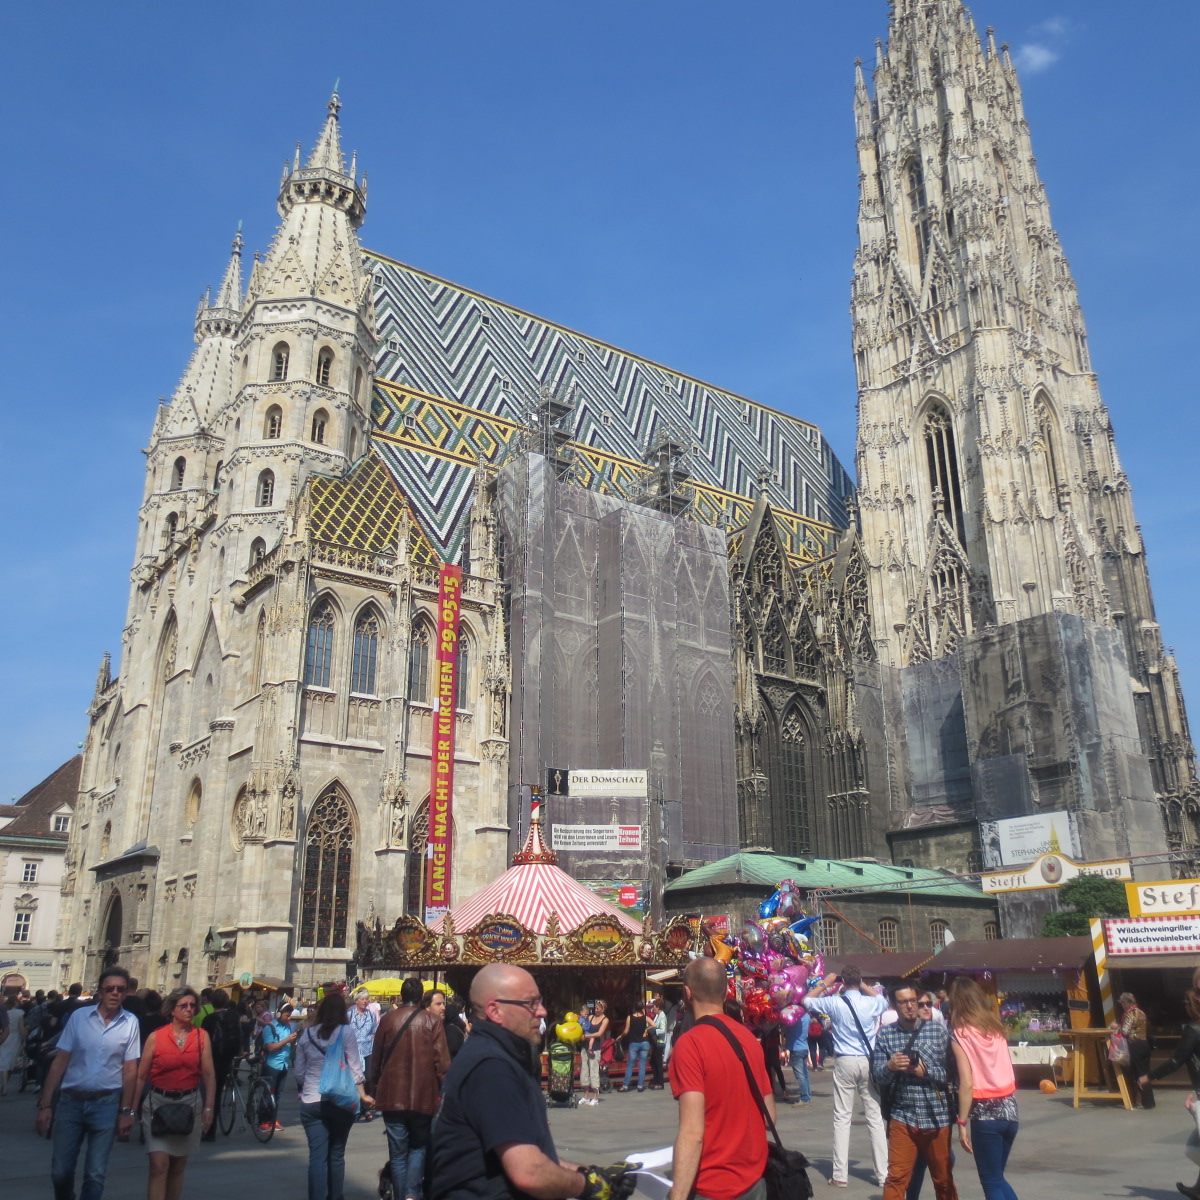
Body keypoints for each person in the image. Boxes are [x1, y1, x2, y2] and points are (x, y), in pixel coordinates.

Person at [430, 962, 635, 1200]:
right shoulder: (492, 1067)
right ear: (495, 1011)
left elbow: (528, 1153)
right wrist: (589, 1186)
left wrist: (589, 1173)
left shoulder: (495, 1055)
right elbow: (529, 1171)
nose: (542, 1011)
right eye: (531, 1003)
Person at [667, 956, 775, 1200]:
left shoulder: (690, 1044)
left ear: (688, 993)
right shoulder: (749, 1040)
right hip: (754, 1183)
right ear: (726, 991)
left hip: (712, 1185)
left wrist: (677, 1195)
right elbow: (770, 1117)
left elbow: (692, 1133)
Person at [36, 965, 141, 1200]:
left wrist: (127, 1111)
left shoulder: (130, 1022)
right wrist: (45, 1105)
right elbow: (60, 1061)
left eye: (120, 989)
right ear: (100, 992)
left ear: (126, 993)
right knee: (60, 1172)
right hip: (71, 1102)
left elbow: (130, 1069)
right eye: (110, 989)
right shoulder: (80, 1017)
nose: (115, 993)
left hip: (106, 1104)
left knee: (95, 1174)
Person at [871, 984, 971, 1200]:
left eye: (913, 1001)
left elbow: (952, 1076)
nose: (910, 1006)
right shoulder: (885, 1035)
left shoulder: (938, 1031)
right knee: (896, 1177)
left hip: (936, 1116)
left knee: (943, 1179)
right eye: (903, 1002)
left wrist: (926, 1072)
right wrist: (890, 1067)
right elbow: (877, 1078)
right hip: (902, 1116)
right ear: (893, 1005)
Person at [804, 967, 890, 1188]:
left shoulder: (835, 1002)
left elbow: (807, 1001)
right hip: (868, 1060)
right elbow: (882, 1000)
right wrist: (863, 985)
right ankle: (883, 1175)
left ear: (842, 982)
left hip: (845, 1060)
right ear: (859, 981)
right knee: (875, 1118)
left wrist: (825, 983)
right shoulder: (870, 1002)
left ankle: (840, 1175)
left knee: (842, 1117)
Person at [370, 976, 450, 1200]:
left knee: (398, 1153)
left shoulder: (387, 1020)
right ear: (421, 996)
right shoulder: (432, 1021)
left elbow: (376, 1058)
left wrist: (373, 1087)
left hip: (391, 1095)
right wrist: (445, 1091)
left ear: (401, 996)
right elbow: (442, 1062)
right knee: (418, 1147)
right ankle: (412, 1194)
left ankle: (400, 1194)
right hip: (423, 1095)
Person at [136, 986, 216, 1200]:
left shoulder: (201, 1036)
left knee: (178, 1166)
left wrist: (209, 1107)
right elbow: (141, 1076)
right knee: (158, 1165)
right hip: (158, 1104)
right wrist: (129, 1109)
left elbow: (209, 1074)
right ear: (171, 1009)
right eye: (184, 1006)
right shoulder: (156, 1037)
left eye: (192, 1005)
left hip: (189, 1104)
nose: (189, 1009)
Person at [295, 991, 374, 1200]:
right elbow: (356, 1069)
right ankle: (336, 1196)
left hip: (312, 1100)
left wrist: (309, 1084)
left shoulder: (306, 1034)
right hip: (341, 1101)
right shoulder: (346, 1032)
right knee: (337, 1154)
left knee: (317, 1157)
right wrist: (363, 1095)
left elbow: (299, 1073)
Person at [947, 979, 1017, 1200]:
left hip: (985, 1114)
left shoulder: (959, 1035)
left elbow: (967, 1083)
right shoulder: (996, 1029)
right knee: (997, 1178)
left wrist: (961, 1123)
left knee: (991, 1182)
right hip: (1010, 1109)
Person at [1141, 979, 1200, 1200]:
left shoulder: (1193, 1030)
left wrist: (1149, 1076)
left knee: (1195, 1148)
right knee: (1194, 1147)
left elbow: (1176, 1061)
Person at [200, 989, 242, 1141]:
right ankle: (211, 1128)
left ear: (212, 1002)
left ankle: (206, 1128)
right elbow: (239, 1035)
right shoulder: (233, 1017)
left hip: (210, 1059)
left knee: (206, 1092)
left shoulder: (209, 1019)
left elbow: (202, 1040)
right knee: (217, 1093)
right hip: (226, 1059)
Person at [258, 1005, 298, 1130]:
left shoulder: (288, 1027)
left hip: (283, 1065)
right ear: (279, 1014)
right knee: (268, 1093)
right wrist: (287, 1040)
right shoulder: (270, 1027)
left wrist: (293, 1042)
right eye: (287, 1015)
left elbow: (288, 1045)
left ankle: (272, 1119)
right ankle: (263, 1121)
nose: (288, 1018)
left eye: (290, 1016)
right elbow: (270, 1047)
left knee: (277, 1095)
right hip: (272, 1065)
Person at [1114, 992, 1154, 1109]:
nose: (1122, 1005)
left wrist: (1117, 1027)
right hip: (1145, 1044)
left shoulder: (1130, 1013)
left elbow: (1125, 1031)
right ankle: (1149, 1100)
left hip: (1135, 1045)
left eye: (1122, 1003)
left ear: (1127, 1002)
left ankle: (1144, 1101)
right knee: (1145, 1073)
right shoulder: (1141, 1012)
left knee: (1138, 1073)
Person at [349, 989, 379, 1118]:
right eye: (362, 999)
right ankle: (356, 1107)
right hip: (353, 1051)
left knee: (368, 1077)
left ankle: (365, 1107)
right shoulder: (349, 1015)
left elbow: (374, 1032)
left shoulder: (371, 1015)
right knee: (355, 1079)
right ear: (356, 1001)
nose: (365, 1001)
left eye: (366, 999)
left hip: (367, 1050)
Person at [619, 1000, 651, 1092]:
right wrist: (646, 1030)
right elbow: (654, 1025)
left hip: (634, 1043)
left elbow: (626, 1031)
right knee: (642, 1065)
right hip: (644, 1043)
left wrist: (621, 1036)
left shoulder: (630, 1018)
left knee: (630, 1065)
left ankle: (625, 1085)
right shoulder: (645, 1017)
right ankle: (640, 1085)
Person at [580, 1000, 609, 1105]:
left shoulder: (605, 1020)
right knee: (584, 1071)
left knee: (594, 1071)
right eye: (595, 1008)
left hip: (595, 1049)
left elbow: (599, 1033)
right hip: (585, 1047)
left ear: (603, 1009)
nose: (596, 1010)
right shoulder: (591, 1017)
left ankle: (595, 1097)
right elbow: (584, 1025)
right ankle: (586, 1096)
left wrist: (586, 1036)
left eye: (598, 1008)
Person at [784, 1009, 812, 1104]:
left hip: (795, 1048)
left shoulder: (793, 1019)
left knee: (800, 1075)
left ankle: (804, 1098)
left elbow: (787, 1029)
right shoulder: (807, 1016)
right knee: (805, 1074)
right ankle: (808, 1095)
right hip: (804, 1047)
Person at [0, 992, 25, 1096]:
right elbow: (21, 1027)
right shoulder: (19, 1013)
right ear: (15, 1002)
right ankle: (4, 1087)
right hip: (14, 1037)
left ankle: (3, 1086)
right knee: (8, 1061)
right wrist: (24, 1039)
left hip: (4, 1035)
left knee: (3, 1058)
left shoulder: (5, 1012)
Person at [648, 1001, 667, 1089]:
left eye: (654, 1007)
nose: (653, 1009)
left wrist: (654, 1031)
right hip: (656, 1042)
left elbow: (662, 1030)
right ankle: (656, 1081)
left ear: (658, 1007)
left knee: (658, 1063)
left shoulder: (662, 1017)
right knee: (653, 1062)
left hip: (660, 1042)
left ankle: (660, 1083)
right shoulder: (657, 1016)